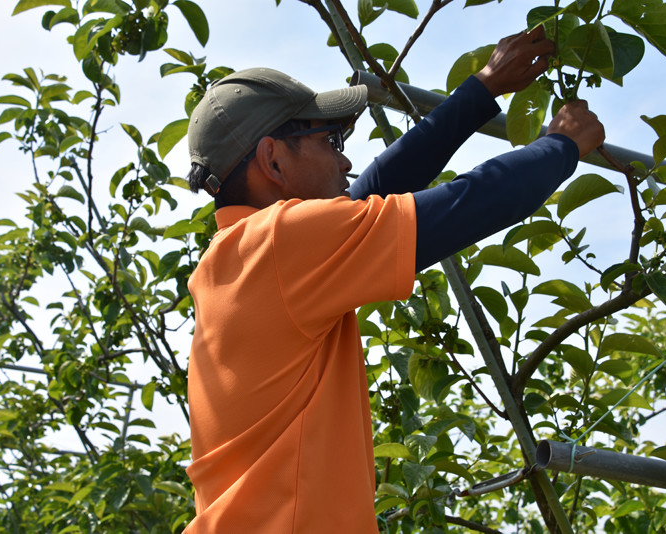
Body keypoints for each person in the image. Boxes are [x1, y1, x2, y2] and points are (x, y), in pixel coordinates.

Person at [182, 27, 604, 533]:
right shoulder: (283, 242)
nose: (345, 160)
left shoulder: (237, 260)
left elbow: (377, 186)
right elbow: (467, 205)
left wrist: (484, 88)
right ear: (273, 158)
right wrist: (563, 146)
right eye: (330, 139)